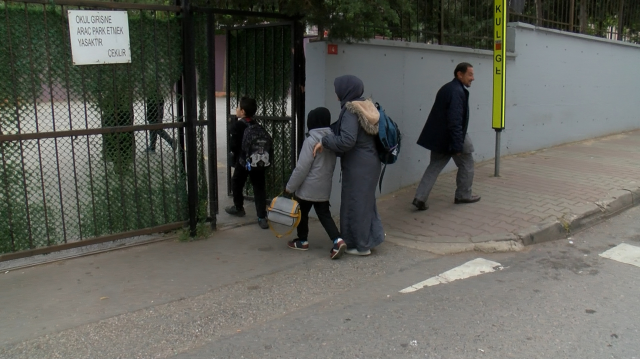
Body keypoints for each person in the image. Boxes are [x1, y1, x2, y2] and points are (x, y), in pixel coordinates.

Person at [313, 75, 384, 256]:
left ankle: (360, 246)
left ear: (346, 90)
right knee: (365, 202)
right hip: (370, 161)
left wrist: (325, 140)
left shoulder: (350, 110)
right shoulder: (365, 105)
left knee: (356, 203)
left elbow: (347, 140)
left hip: (358, 164)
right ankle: (369, 239)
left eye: (338, 88)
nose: (336, 92)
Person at [413, 62, 481, 211]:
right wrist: (457, 145)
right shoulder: (457, 92)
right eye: (470, 74)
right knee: (467, 163)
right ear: (460, 74)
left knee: (434, 167)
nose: (473, 78)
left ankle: (420, 197)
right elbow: (455, 121)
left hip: (440, 137)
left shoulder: (448, 88)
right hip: (454, 136)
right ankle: (463, 194)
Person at [285, 107, 346, 259]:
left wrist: (290, 187)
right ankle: (337, 240)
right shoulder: (332, 140)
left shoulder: (310, 141)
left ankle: (302, 240)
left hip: (308, 187)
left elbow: (301, 168)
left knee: (301, 212)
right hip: (324, 186)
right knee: (324, 214)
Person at [225, 97, 269, 229]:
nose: (236, 109)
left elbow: (233, 146)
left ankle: (238, 207)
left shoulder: (238, 125)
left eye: (238, 107)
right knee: (259, 188)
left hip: (244, 161)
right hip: (258, 161)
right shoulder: (257, 125)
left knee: (237, 182)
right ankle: (262, 217)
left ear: (243, 111)